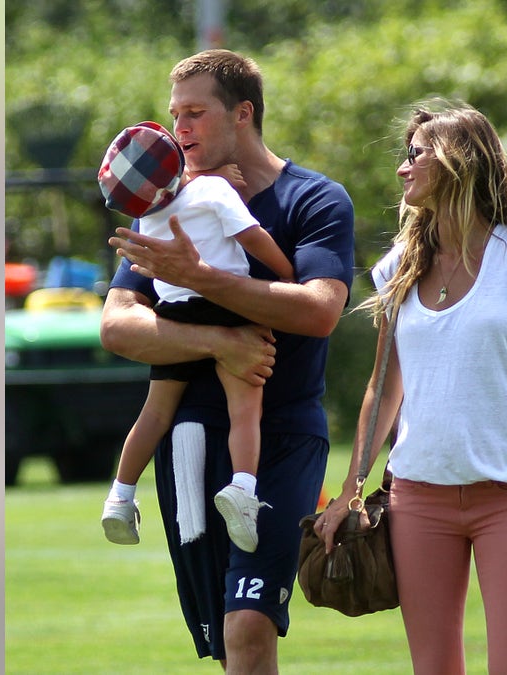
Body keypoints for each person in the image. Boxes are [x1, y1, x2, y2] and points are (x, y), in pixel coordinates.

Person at [314, 100, 507, 675]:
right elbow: (383, 390)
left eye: (415, 155)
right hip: (417, 500)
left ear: (459, 162)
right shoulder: (398, 266)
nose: (403, 169)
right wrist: (351, 489)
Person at [100, 49, 355, 672]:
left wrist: (204, 278)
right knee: (222, 639)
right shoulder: (165, 202)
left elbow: (318, 310)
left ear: (243, 114)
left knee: (248, 623)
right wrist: (217, 342)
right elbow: (118, 324)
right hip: (188, 441)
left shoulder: (315, 200)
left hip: (283, 436)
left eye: (194, 114)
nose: (178, 130)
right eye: (173, 115)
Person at [96, 121, 295, 552]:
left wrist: (206, 179)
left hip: (173, 314)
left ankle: (120, 495)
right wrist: (287, 274)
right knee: (245, 407)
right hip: (225, 303)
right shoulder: (215, 192)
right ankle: (242, 489)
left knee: (153, 414)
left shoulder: (148, 214)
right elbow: (253, 238)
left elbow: (178, 195)